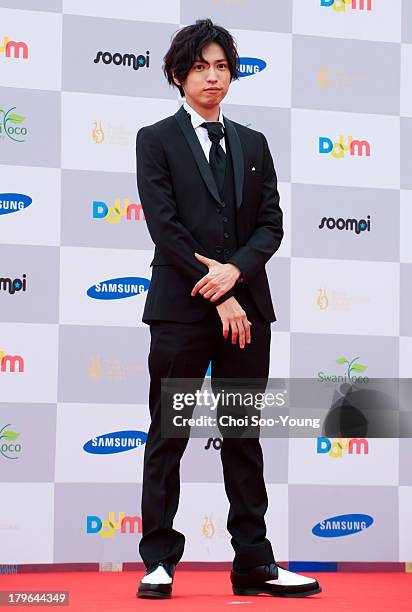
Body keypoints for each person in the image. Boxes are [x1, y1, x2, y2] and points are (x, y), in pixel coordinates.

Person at [135, 18, 321, 599]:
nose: (212, 77)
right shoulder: (155, 139)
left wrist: (235, 275)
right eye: (199, 67)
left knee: (243, 434)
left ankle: (253, 563)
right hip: (181, 310)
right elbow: (165, 228)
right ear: (177, 75)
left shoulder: (253, 143)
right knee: (170, 432)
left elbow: (271, 224)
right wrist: (219, 290)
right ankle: (159, 559)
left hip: (248, 313)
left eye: (221, 66)